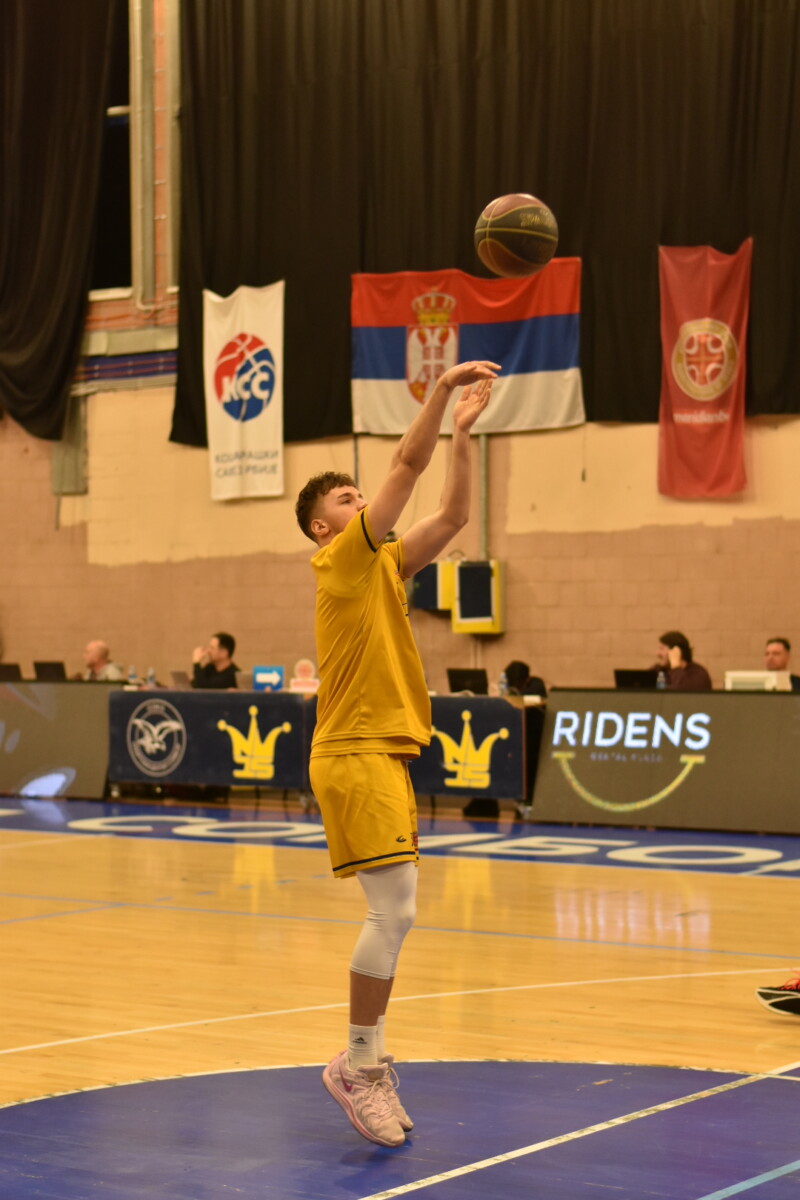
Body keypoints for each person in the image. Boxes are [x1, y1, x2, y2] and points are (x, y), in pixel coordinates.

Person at [295, 359, 499, 1148]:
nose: (361, 500)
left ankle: (366, 1060)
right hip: (352, 750)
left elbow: (452, 515)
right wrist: (440, 392)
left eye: (358, 494)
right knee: (394, 912)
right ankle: (358, 1065)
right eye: (346, 499)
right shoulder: (341, 560)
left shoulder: (382, 563)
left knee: (397, 912)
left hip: (380, 751)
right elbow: (407, 469)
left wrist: (464, 434)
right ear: (324, 528)